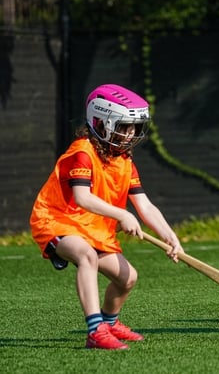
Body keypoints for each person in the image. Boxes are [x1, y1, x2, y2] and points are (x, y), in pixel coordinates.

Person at [30, 84, 184, 350]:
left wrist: (170, 237)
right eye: (124, 126)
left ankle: (110, 323)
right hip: (57, 220)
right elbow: (82, 198)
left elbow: (145, 205)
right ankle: (95, 331)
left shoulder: (124, 160)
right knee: (85, 255)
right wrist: (121, 214)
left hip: (92, 227)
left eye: (134, 127)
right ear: (101, 122)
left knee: (128, 278)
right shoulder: (82, 153)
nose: (131, 133)